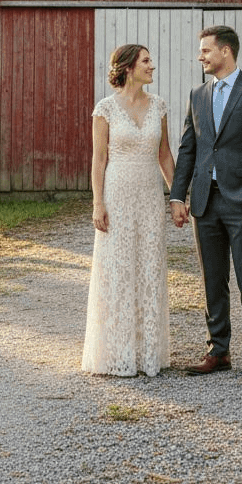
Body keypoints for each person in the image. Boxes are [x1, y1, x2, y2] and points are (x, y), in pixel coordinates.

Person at [169, 26, 242, 383]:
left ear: (226, 51)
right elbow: (189, 149)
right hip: (205, 201)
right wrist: (177, 195)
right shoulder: (197, 94)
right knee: (212, 280)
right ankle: (218, 350)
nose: (200, 57)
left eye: (206, 51)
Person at [82, 44, 176, 376]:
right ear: (128, 68)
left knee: (148, 266)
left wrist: (176, 197)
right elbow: (99, 159)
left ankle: (147, 352)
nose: (152, 65)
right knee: (118, 269)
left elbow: (165, 155)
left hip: (149, 196)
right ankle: (116, 352)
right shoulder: (105, 109)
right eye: (146, 61)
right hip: (117, 195)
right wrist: (98, 203)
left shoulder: (159, 106)